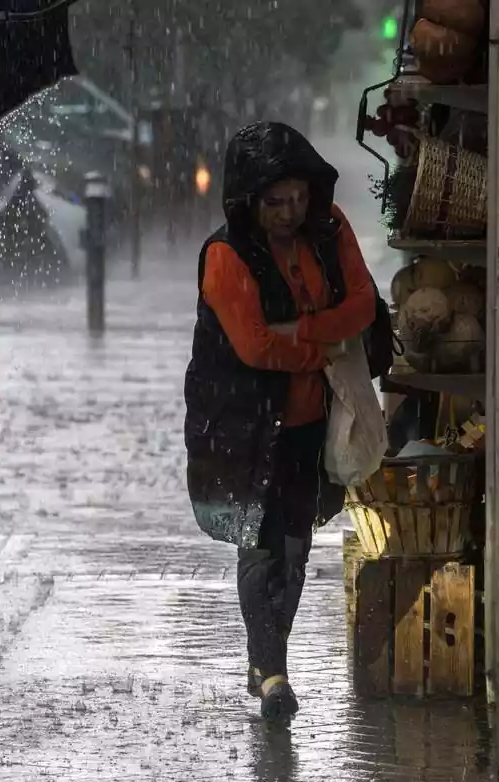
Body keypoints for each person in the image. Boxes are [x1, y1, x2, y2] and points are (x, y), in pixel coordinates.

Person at [184, 121, 382, 720]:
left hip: (309, 422)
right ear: (248, 200)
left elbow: (363, 304)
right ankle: (273, 674)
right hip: (241, 423)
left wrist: (304, 332)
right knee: (260, 544)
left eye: (298, 197)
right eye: (276, 202)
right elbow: (251, 346)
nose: (290, 212)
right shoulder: (225, 255)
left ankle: (269, 660)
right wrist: (315, 349)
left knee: (296, 546)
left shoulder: (329, 229)